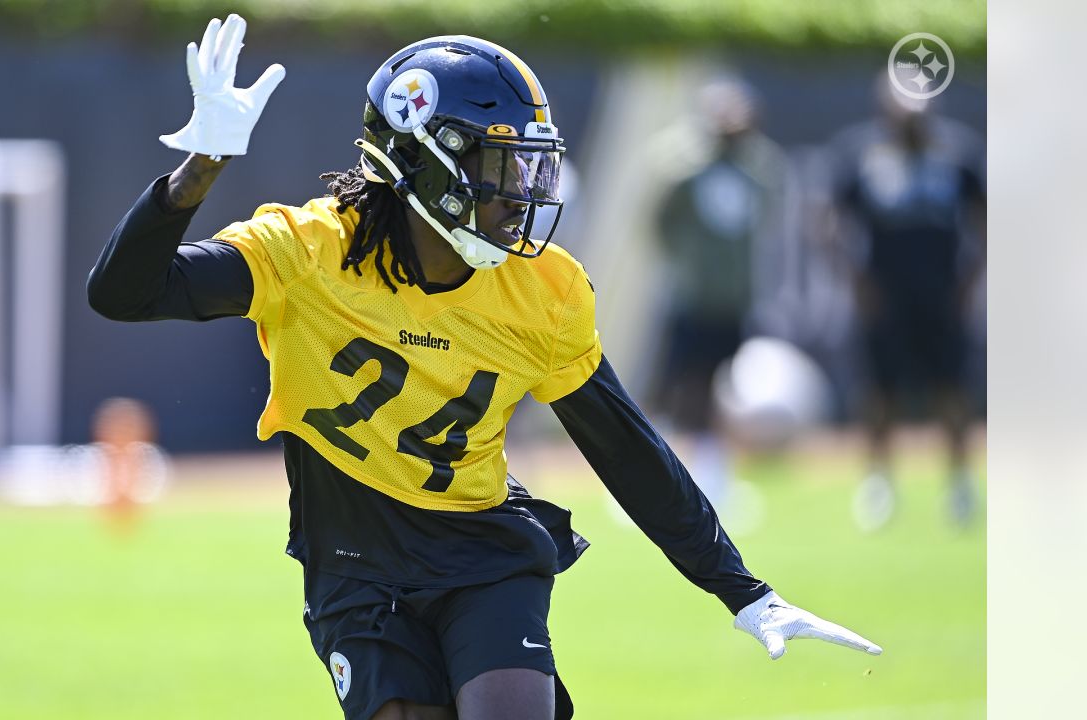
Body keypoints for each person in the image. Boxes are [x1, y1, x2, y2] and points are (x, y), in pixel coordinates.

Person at [88, 15, 881, 720]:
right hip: (356, 563)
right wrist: (197, 173)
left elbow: (624, 449)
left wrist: (740, 588)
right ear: (426, 160)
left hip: (482, 552)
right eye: (504, 167)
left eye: (532, 167)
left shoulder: (544, 289)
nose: (524, 193)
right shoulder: (308, 251)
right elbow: (124, 294)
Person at [828, 82, 986, 531]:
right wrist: (856, 280)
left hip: (941, 296)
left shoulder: (956, 155)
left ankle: (959, 486)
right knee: (881, 392)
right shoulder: (864, 155)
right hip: (887, 298)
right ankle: (878, 485)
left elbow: (985, 215)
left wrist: (970, 281)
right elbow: (832, 219)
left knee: (952, 390)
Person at [646, 77, 789, 506]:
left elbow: (769, 196)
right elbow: (660, 215)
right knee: (672, 386)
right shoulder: (687, 161)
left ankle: (710, 474)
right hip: (691, 295)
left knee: (719, 386)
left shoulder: (757, 164)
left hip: (732, 297)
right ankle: (645, 472)